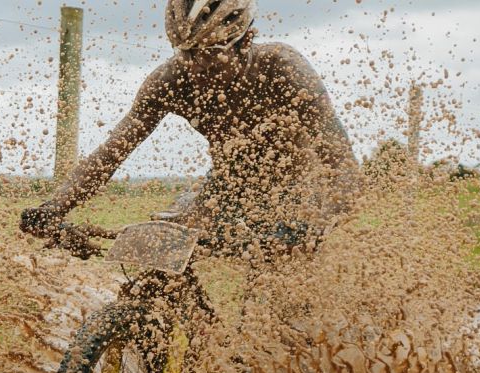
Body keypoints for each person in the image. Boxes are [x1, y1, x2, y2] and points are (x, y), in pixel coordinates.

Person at [21, 0, 358, 260]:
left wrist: (317, 221)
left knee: (276, 286)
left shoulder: (282, 67)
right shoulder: (170, 80)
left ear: (245, 40)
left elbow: (340, 164)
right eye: (187, 52)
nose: (196, 66)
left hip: (300, 187)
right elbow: (112, 153)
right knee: (163, 242)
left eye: (210, 54)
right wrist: (56, 207)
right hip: (228, 184)